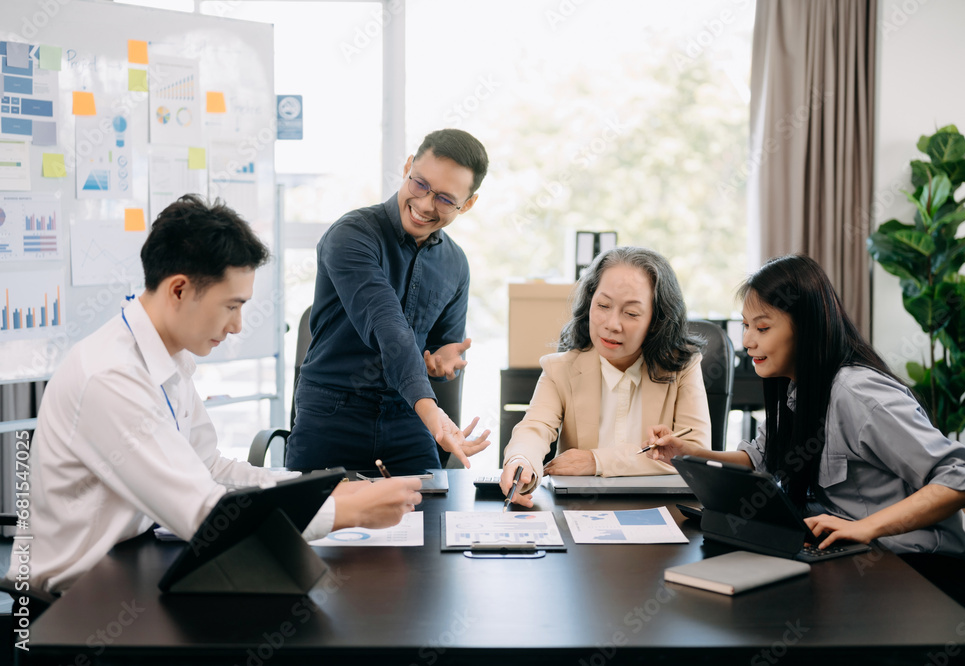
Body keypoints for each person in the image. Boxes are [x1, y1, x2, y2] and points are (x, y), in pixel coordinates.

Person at [7, 195, 422, 595]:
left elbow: (207, 467)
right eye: (231, 306)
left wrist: (313, 489)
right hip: (77, 599)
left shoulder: (165, 357)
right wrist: (345, 513)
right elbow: (204, 516)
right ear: (179, 290)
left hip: (130, 561)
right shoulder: (110, 376)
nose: (239, 325)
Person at [648, 254, 965, 605]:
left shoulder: (857, 393)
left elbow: (962, 479)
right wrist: (693, 454)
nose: (748, 341)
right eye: (746, 326)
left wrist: (865, 527)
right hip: (851, 561)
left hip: (919, 575)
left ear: (806, 328)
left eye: (762, 328)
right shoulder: (799, 388)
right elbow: (761, 457)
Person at [286, 129, 491, 475]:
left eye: (444, 198)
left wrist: (440, 363)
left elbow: (443, 347)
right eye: (420, 184)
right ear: (408, 167)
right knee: (315, 522)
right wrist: (434, 414)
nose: (425, 204)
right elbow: (388, 327)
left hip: (406, 417)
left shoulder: (455, 264)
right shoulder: (351, 235)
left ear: (467, 204)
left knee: (433, 520)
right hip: (333, 413)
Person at [500, 247, 711, 507]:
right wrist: (522, 460)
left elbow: (694, 453)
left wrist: (596, 460)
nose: (612, 323)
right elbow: (535, 428)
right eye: (603, 305)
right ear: (589, 302)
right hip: (581, 511)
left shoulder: (683, 368)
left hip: (663, 512)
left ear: (656, 320)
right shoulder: (561, 369)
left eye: (631, 313)